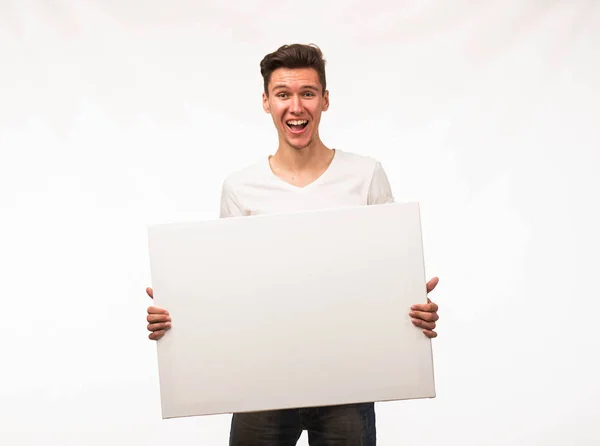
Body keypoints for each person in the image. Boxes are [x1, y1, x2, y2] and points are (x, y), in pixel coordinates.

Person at [145, 43, 440, 446]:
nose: (296, 106)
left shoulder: (366, 175)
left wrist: (412, 308)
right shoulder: (240, 188)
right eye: (283, 94)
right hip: (261, 383)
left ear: (325, 100)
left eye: (308, 93)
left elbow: (386, 275)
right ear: (266, 102)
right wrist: (181, 313)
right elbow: (229, 289)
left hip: (347, 382)